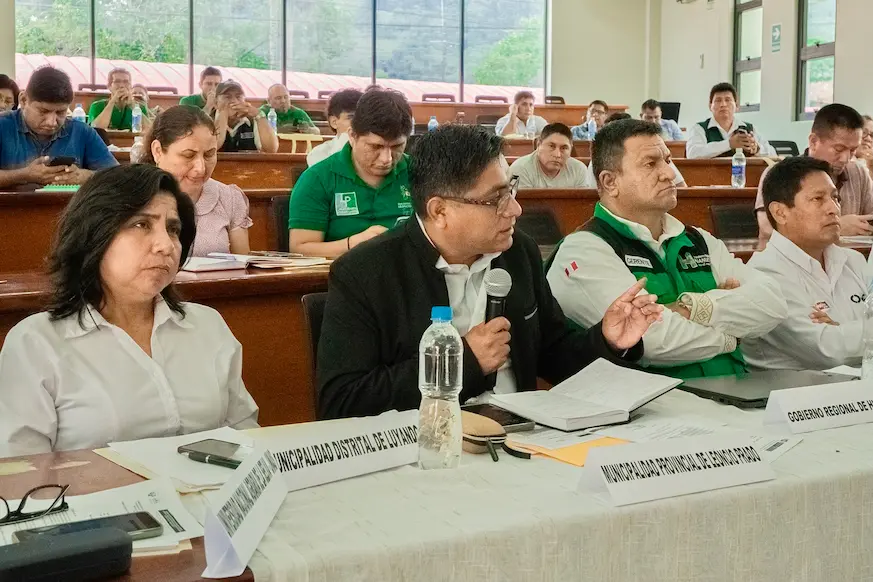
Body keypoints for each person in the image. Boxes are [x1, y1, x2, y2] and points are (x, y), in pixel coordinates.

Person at [317, 124, 663, 419]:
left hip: (526, 437)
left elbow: (554, 353)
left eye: (510, 189)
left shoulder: (518, 252)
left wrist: (607, 341)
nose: (515, 208)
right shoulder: (366, 272)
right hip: (429, 450)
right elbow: (343, 402)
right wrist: (462, 363)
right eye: (495, 198)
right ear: (439, 211)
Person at [0, 164, 259, 456]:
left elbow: (245, 436)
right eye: (141, 225)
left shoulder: (207, 326)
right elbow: (20, 474)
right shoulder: (36, 344)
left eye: (173, 229)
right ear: (95, 235)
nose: (165, 245)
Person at [545, 119, 787, 379]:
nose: (670, 173)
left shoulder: (697, 240)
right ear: (610, 182)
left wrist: (691, 306)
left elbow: (773, 304)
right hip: (658, 408)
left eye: (668, 160)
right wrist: (734, 336)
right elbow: (653, 341)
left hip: (739, 392)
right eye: (651, 164)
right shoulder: (585, 249)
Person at [742, 157, 870, 371]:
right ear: (780, 212)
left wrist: (842, 331)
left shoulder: (853, 260)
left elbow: (840, 343)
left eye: (835, 197)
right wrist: (845, 334)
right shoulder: (764, 275)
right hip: (790, 398)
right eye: (818, 199)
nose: (834, 208)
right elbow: (829, 351)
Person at [288, 88, 413, 257]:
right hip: (340, 276)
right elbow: (299, 249)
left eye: (397, 147)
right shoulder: (317, 178)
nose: (387, 159)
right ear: (352, 136)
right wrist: (353, 244)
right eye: (375, 146)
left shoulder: (419, 172)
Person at [143, 105, 252, 256]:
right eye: (188, 155)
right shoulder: (134, 197)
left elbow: (242, 270)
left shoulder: (229, 198)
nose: (201, 168)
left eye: (209, 155)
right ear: (158, 151)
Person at [756, 104, 873, 239]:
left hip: (849, 257)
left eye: (853, 150)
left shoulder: (858, 173)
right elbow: (767, 228)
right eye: (839, 149)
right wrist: (836, 227)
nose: (846, 158)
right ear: (813, 141)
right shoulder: (780, 173)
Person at [0, 66, 117, 189]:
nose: (52, 122)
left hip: (69, 207)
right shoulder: (2, 125)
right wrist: (24, 175)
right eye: (43, 111)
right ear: (23, 100)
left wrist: (84, 176)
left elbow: (119, 177)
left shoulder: (82, 132)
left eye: (60, 112)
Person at [686, 82, 776, 159]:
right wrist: (729, 144)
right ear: (710, 106)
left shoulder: (749, 128)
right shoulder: (699, 129)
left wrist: (757, 149)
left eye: (728, 100)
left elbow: (773, 154)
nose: (723, 104)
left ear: (736, 106)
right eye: (718, 100)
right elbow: (692, 154)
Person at [508, 123, 595, 188]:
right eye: (551, 146)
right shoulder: (519, 169)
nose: (557, 155)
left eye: (564, 148)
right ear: (538, 145)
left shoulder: (579, 169)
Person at [213, 80, 278, 153]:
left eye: (238, 97)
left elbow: (271, 150)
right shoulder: (207, 120)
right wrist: (223, 115)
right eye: (228, 97)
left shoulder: (253, 119)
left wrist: (259, 114)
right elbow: (213, 148)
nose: (234, 101)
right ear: (216, 103)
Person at [307, 88, 363, 167]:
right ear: (334, 122)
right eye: (351, 117)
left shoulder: (377, 153)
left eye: (363, 117)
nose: (359, 123)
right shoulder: (318, 154)